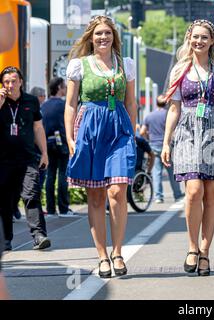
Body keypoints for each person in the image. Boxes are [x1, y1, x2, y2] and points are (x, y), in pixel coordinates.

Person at [161, 19, 214, 276]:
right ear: (189, 39)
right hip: (187, 128)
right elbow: (173, 108)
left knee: (211, 195)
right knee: (193, 190)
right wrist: (166, 141)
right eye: (195, 37)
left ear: (212, 40)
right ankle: (192, 247)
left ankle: (205, 251)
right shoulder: (179, 69)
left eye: (204, 37)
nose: (199, 41)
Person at [65, 15, 137, 278]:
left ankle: (118, 252)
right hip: (89, 129)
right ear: (91, 38)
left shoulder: (124, 65)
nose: (103, 37)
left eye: (107, 33)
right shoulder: (79, 65)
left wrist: (133, 131)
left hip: (118, 129)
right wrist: (71, 139)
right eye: (98, 34)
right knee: (95, 195)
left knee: (117, 191)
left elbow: (131, 103)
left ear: (113, 36)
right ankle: (101, 255)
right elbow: (71, 104)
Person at [0, 66, 49, 251]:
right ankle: (5, 241)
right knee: (4, 201)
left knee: (31, 195)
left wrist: (44, 152)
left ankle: (39, 235)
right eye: (6, 82)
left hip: (27, 158)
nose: (10, 85)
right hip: (3, 161)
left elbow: (38, 128)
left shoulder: (31, 101)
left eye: (13, 81)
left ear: (21, 81)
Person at [140, 95, 184, 203]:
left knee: (157, 172)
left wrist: (149, 138)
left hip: (154, 146)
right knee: (172, 172)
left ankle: (158, 196)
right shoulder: (168, 115)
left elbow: (142, 132)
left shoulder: (149, 116)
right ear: (166, 103)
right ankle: (177, 194)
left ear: (156, 103)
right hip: (167, 146)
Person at [41, 77, 74, 216]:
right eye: (64, 87)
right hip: (62, 143)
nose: (66, 89)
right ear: (59, 88)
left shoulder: (44, 105)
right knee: (62, 175)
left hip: (47, 143)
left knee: (50, 176)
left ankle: (50, 208)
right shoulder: (64, 105)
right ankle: (64, 208)